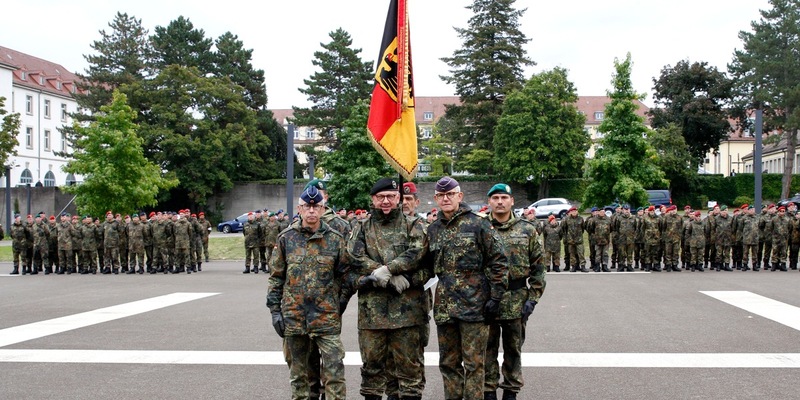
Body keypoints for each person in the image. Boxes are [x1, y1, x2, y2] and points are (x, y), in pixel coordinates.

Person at [423, 176, 508, 400]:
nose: (446, 198)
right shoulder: (432, 230)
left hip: (475, 306)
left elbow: (499, 261)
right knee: (448, 363)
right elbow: (425, 266)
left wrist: (496, 297)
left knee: (474, 364)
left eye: (450, 194)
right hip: (445, 308)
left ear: (459, 196)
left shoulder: (478, 224)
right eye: (441, 195)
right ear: (436, 199)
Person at [346, 177, 427, 400]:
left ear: (398, 198)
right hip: (373, 313)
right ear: (373, 199)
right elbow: (354, 256)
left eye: (391, 196)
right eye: (380, 197)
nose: (386, 201)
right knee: (372, 369)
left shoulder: (414, 225)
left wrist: (389, 269)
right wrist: (383, 274)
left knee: (410, 371)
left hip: (408, 313)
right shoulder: (362, 227)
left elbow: (418, 254)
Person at [267, 186, 349, 400]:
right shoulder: (286, 238)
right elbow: (276, 277)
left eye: (316, 206)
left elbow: (346, 275)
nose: (312, 211)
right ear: (300, 209)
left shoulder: (335, 239)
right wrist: (275, 311)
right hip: (294, 318)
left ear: (323, 209)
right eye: (307, 207)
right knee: (299, 376)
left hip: (326, 319)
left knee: (334, 373)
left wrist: (338, 302)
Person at [483, 183, 544, 400]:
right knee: (486, 350)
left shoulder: (527, 229)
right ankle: (488, 390)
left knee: (513, 351)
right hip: (486, 299)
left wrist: (533, 299)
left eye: (504, 197)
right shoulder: (480, 227)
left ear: (512, 201)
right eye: (495, 198)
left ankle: (511, 391)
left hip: (517, 300)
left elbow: (538, 267)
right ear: (489, 201)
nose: (500, 202)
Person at [563, 207, 588, 272]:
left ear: (577, 212)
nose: (574, 212)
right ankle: (573, 267)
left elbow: (583, 228)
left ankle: (583, 266)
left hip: (579, 240)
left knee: (581, 253)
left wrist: (579, 235)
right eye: (573, 211)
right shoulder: (567, 219)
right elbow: (564, 228)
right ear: (570, 212)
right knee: (572, 254)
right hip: (570, 240)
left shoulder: (580, 219)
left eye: (575, 211)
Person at [769, 206, 791, 271]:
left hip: (784, 238)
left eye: (783, 211)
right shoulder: (774, 219)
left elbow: (790, 228)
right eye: (780, 211)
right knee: (775, 251)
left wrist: (785, 234)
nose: (782, 212)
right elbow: (771, 228)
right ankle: (774, 264)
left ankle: (783, 264)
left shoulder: (787, 219)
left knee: (784, 252)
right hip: (776, 238)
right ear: (778, 211)